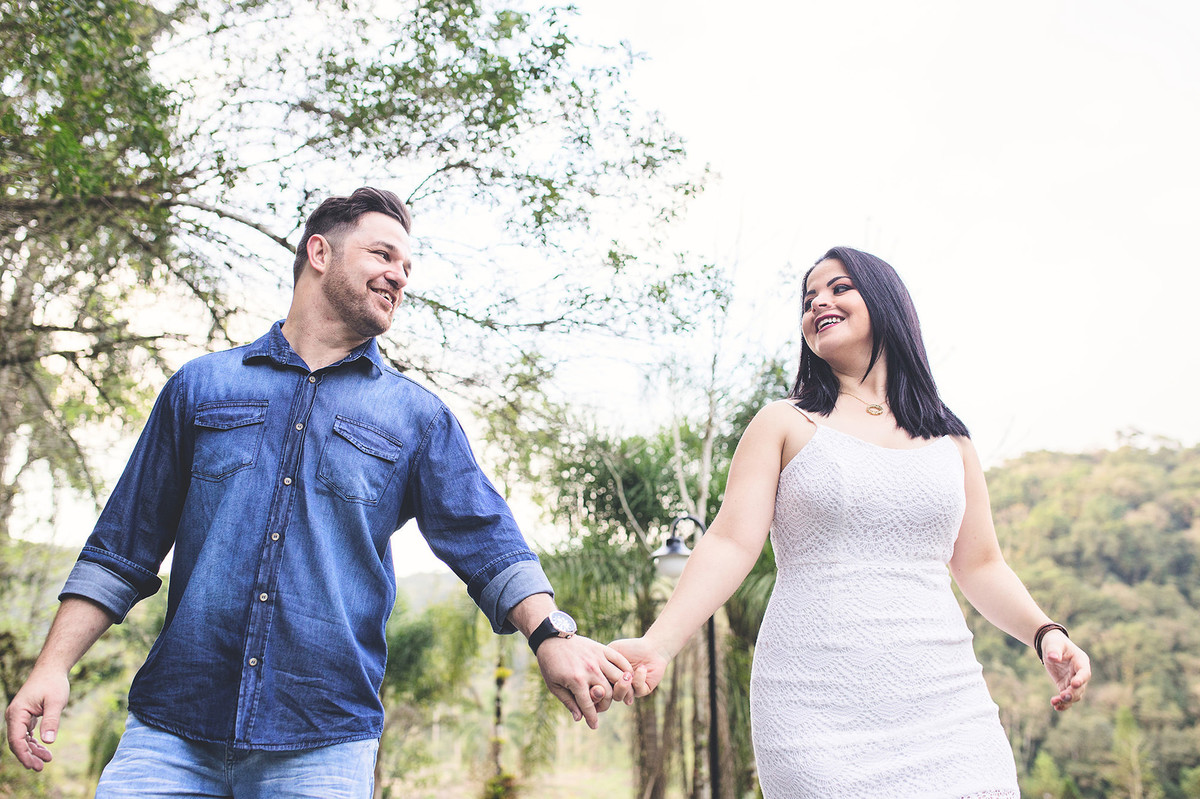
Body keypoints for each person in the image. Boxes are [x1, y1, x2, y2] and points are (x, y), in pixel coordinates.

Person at [5, 187, 635, 797]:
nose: (400, 276)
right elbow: (123, 546)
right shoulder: (202, 387)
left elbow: (487, 540)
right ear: (320, 253)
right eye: (383, 255)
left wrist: (550, 633)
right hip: (171, 733)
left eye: (408, 266)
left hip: (322, 744)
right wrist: (52, 664)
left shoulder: (416, 418)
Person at [611, 246, 1092, 798]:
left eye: (839, 288)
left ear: (885, 302)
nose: (819, 303)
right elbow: (728, 543)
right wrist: (659, 644)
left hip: (945, 698)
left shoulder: (951, 441)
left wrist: (1045, 633)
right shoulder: (783, 422)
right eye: (809, 298)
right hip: (815, 700)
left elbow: (982, 564)